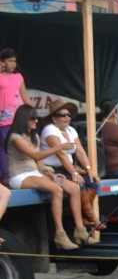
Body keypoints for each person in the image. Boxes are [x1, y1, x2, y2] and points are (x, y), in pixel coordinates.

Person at [4, 105, 86, 249]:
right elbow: (35, 155)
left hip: (36, 173)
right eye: (33, 118)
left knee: (73, 187)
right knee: (57, 190)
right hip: (20, 176)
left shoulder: (34, 136)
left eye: (37, 118)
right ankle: (60, 235)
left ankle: (80, 230)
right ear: (24, 119)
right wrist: (59, 147)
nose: (36, 121)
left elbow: (39, 163)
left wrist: (50, 173)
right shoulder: (15, 137)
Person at [40, 101, 99, 197]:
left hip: (68, 168)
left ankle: (86, 212)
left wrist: (89, 170)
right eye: (62, 115)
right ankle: (87, 212)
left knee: (93, 182)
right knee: (79, 184)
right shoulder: (50, 129)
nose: (67, 117)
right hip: (53, 170)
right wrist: (74, 173)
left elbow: (80, 151)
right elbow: (61, 154)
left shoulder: (71, 130)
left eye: (68, 115)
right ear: (54, 118)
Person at [1, 48, 30, 186]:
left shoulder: (18, 77)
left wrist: (31, 112)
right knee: (3, 146)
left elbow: (25, 96)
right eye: (9, 61)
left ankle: (21, 172)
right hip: (3, 118)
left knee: (20, 144)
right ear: (2, 62)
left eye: (14, 61)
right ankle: (6, 175)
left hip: (18, 117)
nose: (13, 64)